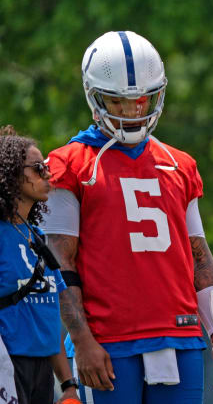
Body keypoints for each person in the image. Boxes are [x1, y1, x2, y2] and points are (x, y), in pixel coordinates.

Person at [40, 31, 213, 403]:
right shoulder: (68, 164)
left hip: (179, 336)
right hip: (109, 343)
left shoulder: (179, 164)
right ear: (95, 96)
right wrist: (81, 340)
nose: (133, 111)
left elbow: (200, 257)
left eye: (142, 99)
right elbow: (59, 263)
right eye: (118, 101)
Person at [0, 125, 80, 403]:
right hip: (6, 366)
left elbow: (48, 317)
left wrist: (68, 384)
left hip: (42, 372)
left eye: (46, 167)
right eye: (37, 168)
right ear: (9, 173)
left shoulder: (38, 237)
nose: (48, 174)